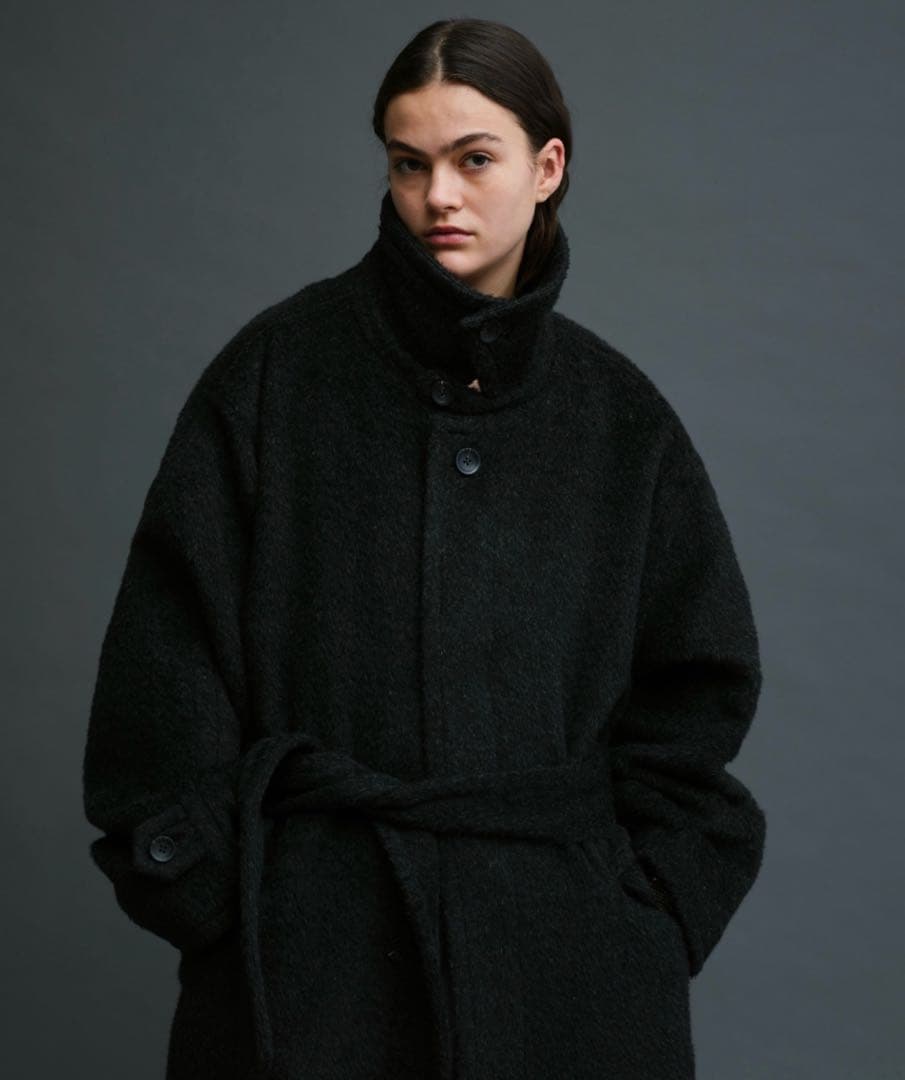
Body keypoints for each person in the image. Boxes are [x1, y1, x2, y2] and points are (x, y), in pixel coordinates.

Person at [81, 17, 766, 1080]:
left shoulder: (618, 420)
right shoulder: (274, 377)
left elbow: (698, 692)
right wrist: (218, 895)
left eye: (473, 159)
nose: (437, 195)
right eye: (410, 163)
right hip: (311, 976)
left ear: (546, 169)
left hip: (569, 990)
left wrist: (647, 913)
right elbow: (161, 666)